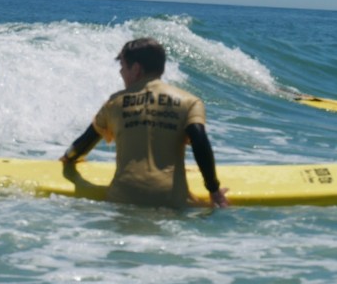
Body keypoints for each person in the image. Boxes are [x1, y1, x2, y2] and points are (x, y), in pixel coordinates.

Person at [60, 37, 229, 209]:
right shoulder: (189, 102)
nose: (121, 73)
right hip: (171, 202)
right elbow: (200, 143)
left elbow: (83, 144)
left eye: (123, 67)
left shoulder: (114, 103)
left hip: (123, 200)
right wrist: (214, 190)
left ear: (136, 69)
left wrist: (67, 158)